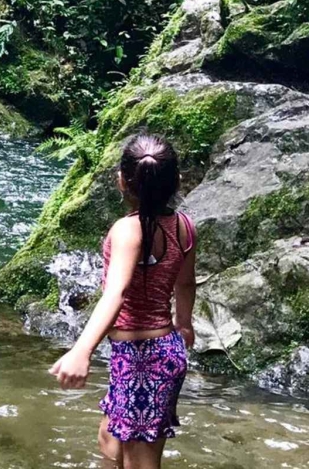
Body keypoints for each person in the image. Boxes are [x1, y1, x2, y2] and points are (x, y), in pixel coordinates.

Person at [49, 135, 196, 469]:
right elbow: (186, 282)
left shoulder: (128, 231)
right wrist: (184, 323)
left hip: (142, 359)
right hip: (152, 354)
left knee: (140, 462)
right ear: (177, 181)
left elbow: (116, 292)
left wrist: (81, 351)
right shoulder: (184, 227)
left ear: (121, 181)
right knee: (109, 441)